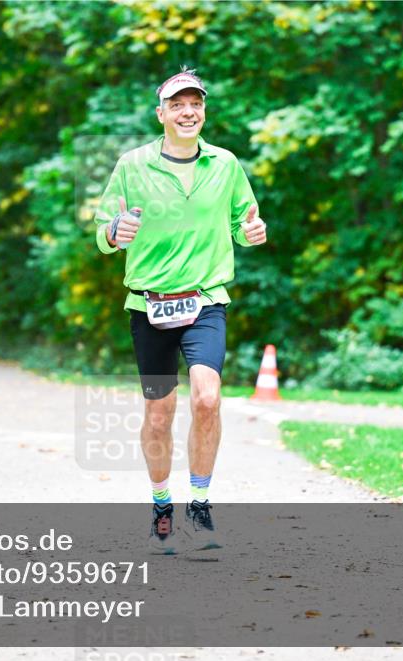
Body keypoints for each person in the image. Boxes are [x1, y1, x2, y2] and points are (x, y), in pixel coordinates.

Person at [94, 67, 267, 554]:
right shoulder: (132, 165)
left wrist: (251, 232)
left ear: (203, 111)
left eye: (196, 104)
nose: (188, 112)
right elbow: (102, 232)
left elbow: (243, 221)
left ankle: (200, 506)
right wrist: (114, 232)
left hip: (206, 298)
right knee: (159, 414)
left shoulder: (225, 164)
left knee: (207, 399)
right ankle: (161, 509)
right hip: (149, 304)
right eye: (177, 105)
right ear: (161, 114)